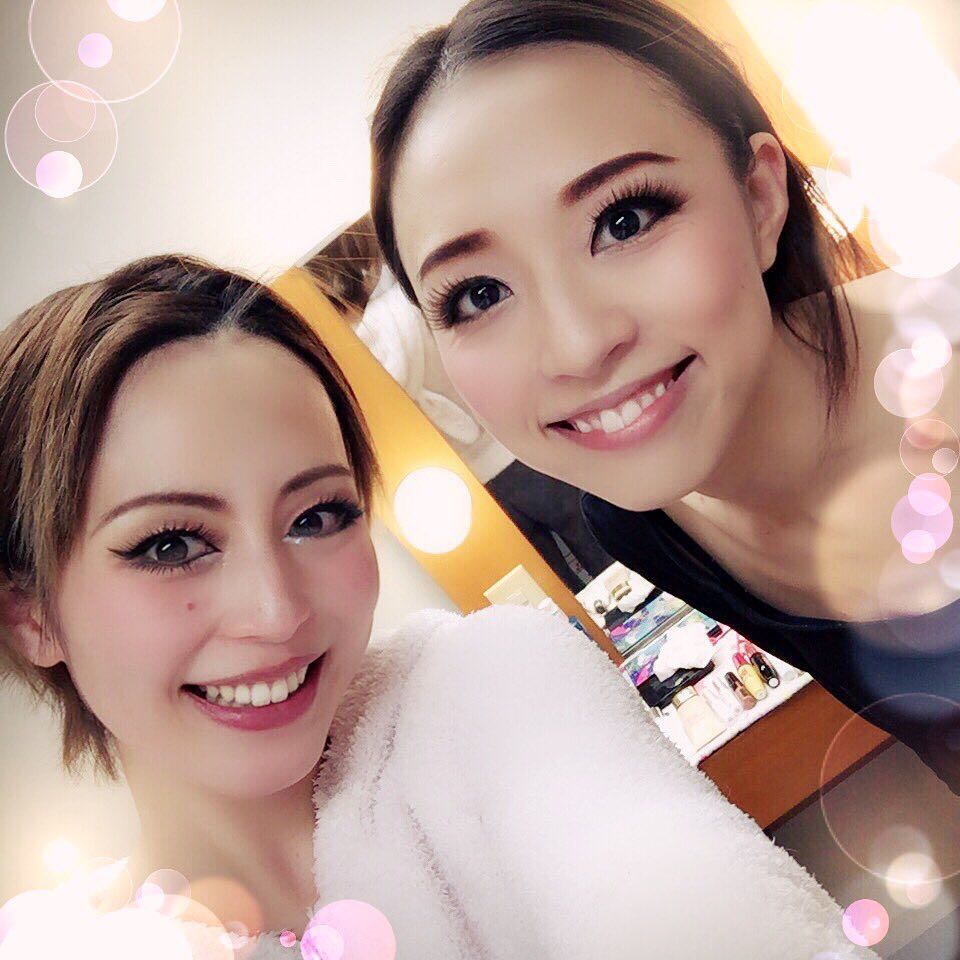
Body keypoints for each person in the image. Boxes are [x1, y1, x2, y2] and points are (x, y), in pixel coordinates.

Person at [0, 255, 875, 958]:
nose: (275, 611)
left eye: (316, 517)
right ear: (29, 613)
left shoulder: (486, 694)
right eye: (170, 544)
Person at [368, 0, 960, 793]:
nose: (579, 344)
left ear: (759, 197)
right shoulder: (646, 525)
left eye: (625, 220)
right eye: (479, 294)